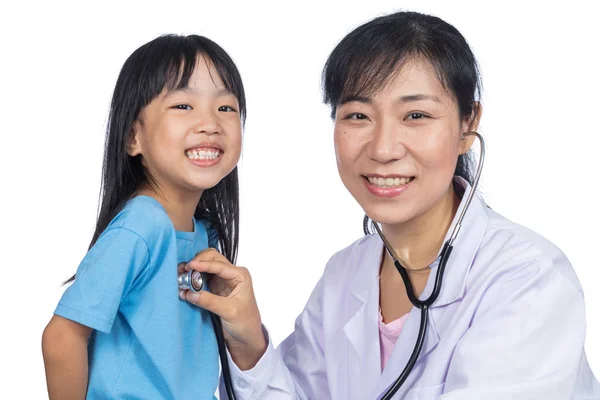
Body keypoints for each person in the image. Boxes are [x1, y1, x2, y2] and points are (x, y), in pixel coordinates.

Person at [181, 11, 600, 399]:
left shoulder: (529, 280)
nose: (382, 149)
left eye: (416, 116)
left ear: (467, 124)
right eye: (358, 116)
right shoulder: (345, 276)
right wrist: (249, 342)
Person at [41, 34, 247, 399]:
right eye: (183, 106)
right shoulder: (142, 226)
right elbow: (61, 337)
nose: (210, 123)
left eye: (226, 108)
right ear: (133, 136)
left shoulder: (205, 232)